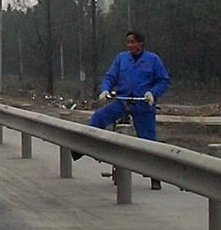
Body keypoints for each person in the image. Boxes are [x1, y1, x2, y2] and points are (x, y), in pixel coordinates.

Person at [72, 30, 170, 190]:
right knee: (99, 118)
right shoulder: (121, 59)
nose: (130, 45)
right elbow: (110, 76)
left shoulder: (153, 60)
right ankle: (82, 147)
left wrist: (152, 93)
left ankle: (155, 177)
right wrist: (105, 89)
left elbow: (163, 81)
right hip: (123, 100)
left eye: (133, 42)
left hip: (142, 103)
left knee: (148, 139)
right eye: (128, 42)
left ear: (141, 43)